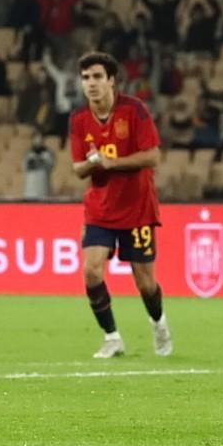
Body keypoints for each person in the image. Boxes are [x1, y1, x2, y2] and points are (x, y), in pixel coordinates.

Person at [68, 51, 172, 359]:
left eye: (98, 77)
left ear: (112, 81)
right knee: (91, 270)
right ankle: (112, 337)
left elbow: (152, 156)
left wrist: (112, 162)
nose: (91, 84)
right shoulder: (78, 120)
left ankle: (158, 323)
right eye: (86, 78)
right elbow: (76, 168)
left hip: (138, 207)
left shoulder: (134, 110)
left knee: (145, 282)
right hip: (100, 208)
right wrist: (92, 163)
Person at [23, 133, 56, 200]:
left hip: (42, 180)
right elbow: (25, 165)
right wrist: (32, 162)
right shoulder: (28, 153)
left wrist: (41, 161)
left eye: (39, 139)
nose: (37, 141)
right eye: (36, 139)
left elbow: (50, 165)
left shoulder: (47, 153)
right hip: (31, 182)